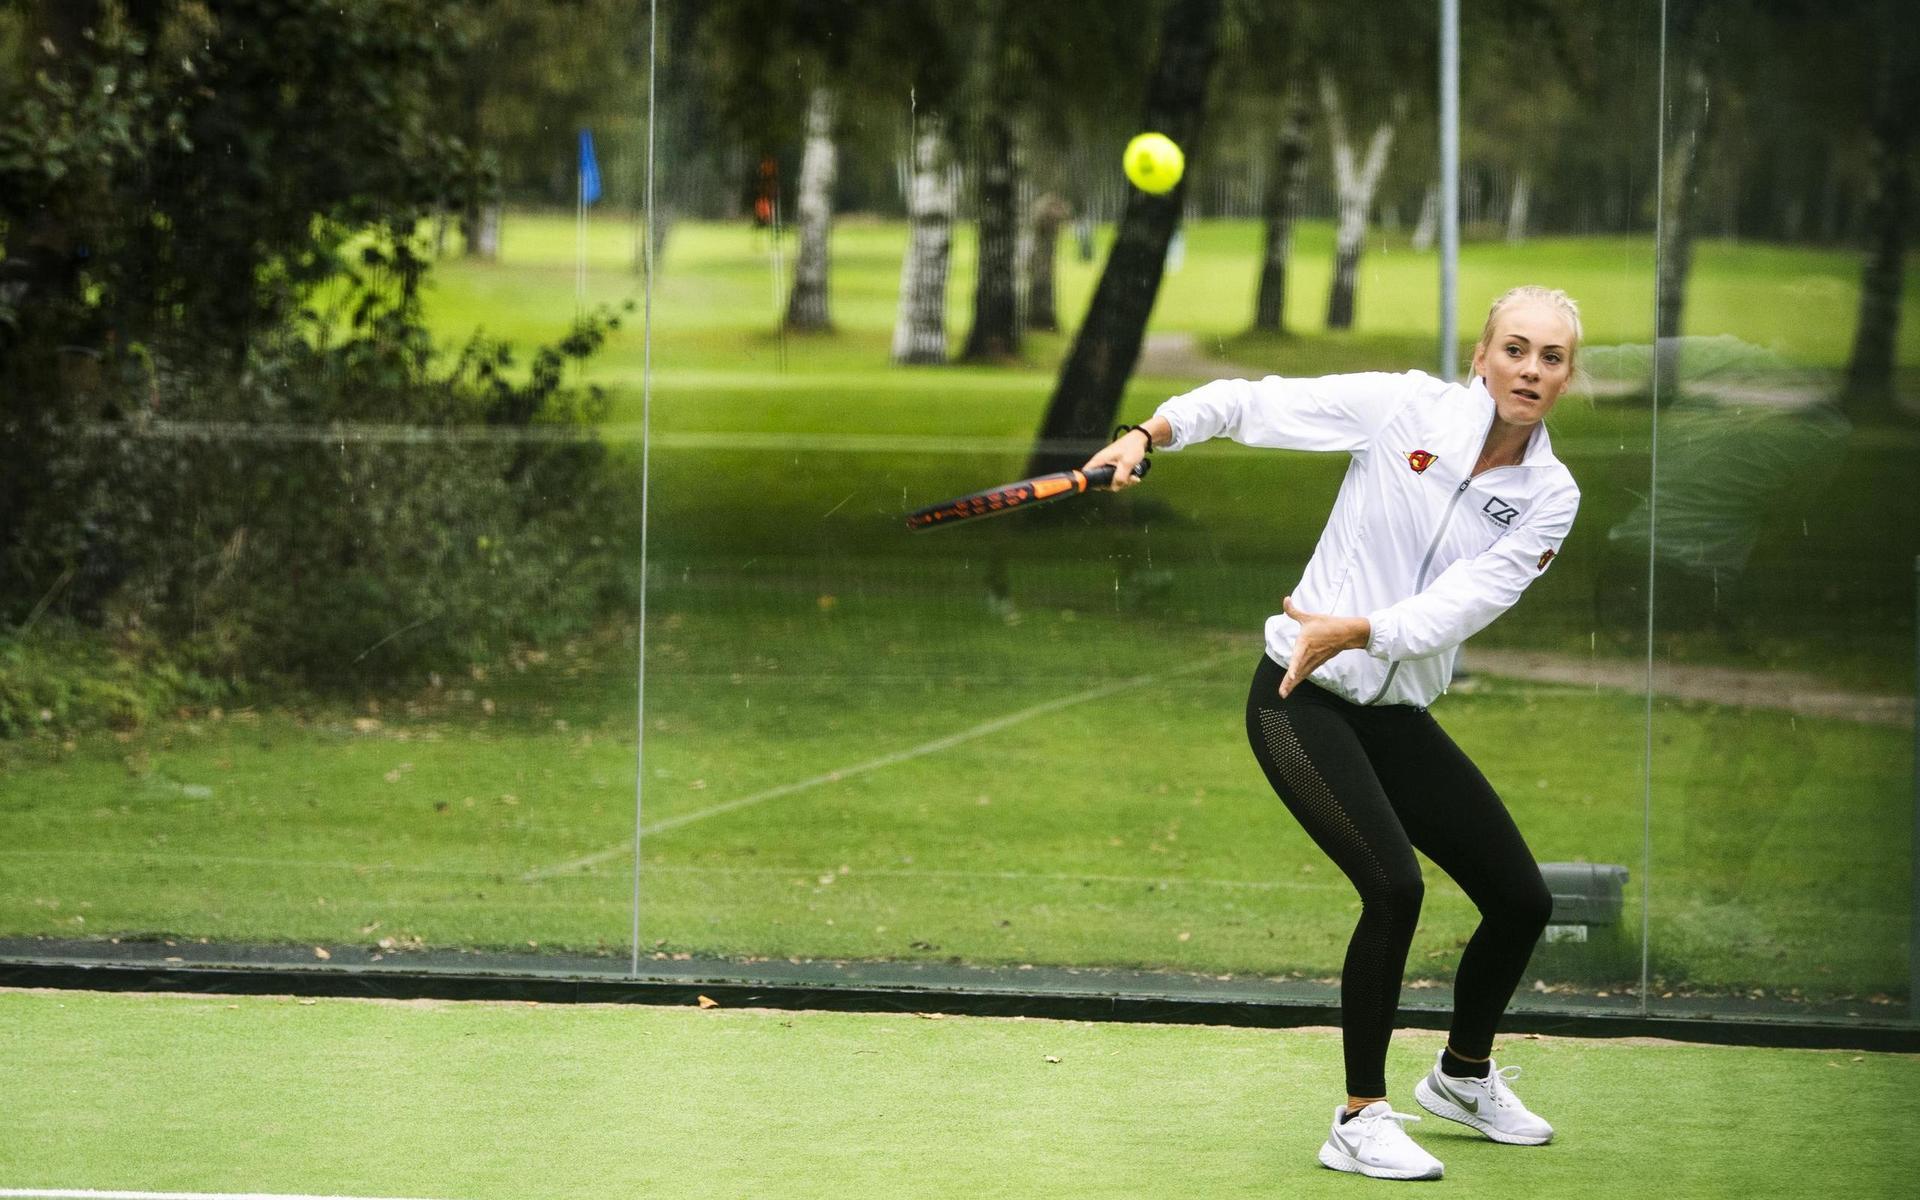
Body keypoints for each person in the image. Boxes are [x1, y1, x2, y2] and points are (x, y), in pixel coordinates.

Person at [1084, 286, 1583, 1182]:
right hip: (1297, 696)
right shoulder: (1404, 408)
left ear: (1566, 378)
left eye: (1551, 358)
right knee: (1393, 887)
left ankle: (1463, 1076)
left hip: (1393, 712)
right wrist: (1148, 433)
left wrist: (1358, 629)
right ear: (1481, 356)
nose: (1530, 370)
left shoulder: (1551, 494)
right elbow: (1251, 402)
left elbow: (1468, 601)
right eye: (1515, 349)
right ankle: (1359, 1117)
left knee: (1522, 900)